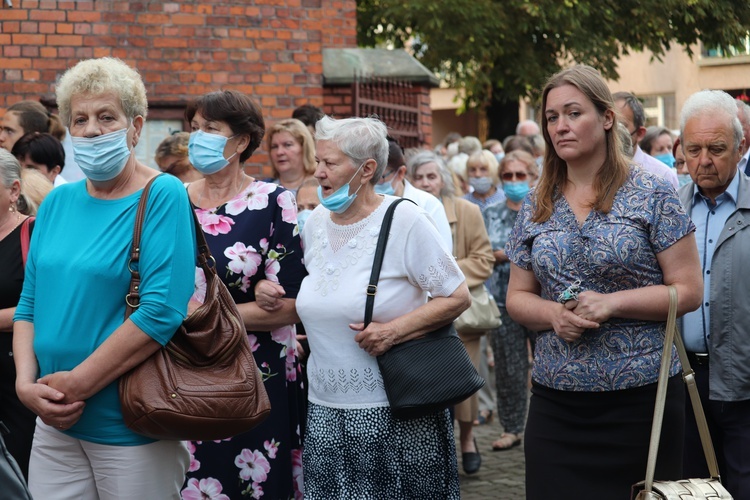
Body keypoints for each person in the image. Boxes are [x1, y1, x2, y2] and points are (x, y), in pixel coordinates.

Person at [505, 65, 702, 499]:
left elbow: (688, 290)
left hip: (642, 398)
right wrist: (553, 314)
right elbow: (518, 297)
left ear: (607, 118)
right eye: (552, 117)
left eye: (573, 113)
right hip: (557, 399)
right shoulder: (537, 202)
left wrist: (614, 303)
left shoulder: (652, 192)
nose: (561, 126)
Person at [13, 57, 196, 498]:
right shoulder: (56, 203)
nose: (92, 130)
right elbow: (29, 303)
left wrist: (77, 385)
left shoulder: (162, 194)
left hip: (130, 422)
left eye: (106, 116)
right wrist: (25, 385)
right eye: (80, 119)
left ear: (135, 127)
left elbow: (161, 311)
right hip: (53, 420)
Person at [296, 115, 470, 498]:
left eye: (330, 163)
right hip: (324, 407)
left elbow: (456, 295)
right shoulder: (316, 223)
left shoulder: (404, 219)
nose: (318, 171)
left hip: (392, 405)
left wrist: (394, 330)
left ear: (367, 168)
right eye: (318, 161)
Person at [182, 90, 306, 500]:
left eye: (211, 129)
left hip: (255, 373)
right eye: (194, 128)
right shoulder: (174, 199)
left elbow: (287, 306)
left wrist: (197, 314)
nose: (198, 137)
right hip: (183, 369)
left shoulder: (274, 201)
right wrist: (246, 303)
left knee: (254, 482)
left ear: (241, 142)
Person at [677, 89, 750, 498]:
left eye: (717, 148)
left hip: (744, 380)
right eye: (694, 149)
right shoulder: (669, 208)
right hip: (684, 381)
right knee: (691, 488)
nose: (703, 160)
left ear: (741, 147)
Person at [407, 150, 494, 475]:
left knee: (463, 381)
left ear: (443, 178)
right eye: (419, 177)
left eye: (432, 176)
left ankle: (468, 439)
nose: (426, 183)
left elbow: (483, 259)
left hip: (460, 312)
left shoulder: (465, 210)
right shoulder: (405, 210)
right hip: (419, 311)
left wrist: (443, 274)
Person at [482, 150, 539, 453]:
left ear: (533, 176)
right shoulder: (490, 213)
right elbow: (484, 252)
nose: (514, 181)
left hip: (541, 299)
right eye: (508, 176)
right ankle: (512, 427)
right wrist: (510, 252)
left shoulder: (544, 207)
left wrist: (506, 252)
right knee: (508, 368)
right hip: (503, 299)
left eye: (521, 175)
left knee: (545, 363)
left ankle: (542, 425)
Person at [0, 149, 36, 480]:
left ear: (13, 190)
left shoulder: (34, 233)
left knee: (18, 473)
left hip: (17, 375)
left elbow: (45, 305)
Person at [374, 137, 453, 252]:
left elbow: (441, 255)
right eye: (370, 177)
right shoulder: (366, 204)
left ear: (401, 173)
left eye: (381, 177)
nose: (375, 182)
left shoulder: (429, 204)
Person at [613, 91, 679, 189]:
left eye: (622, 125)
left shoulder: (663, 176)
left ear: (640, 133)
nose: (613, 131)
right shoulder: (593, 172)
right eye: (608, 122)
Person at [1, 103, 68, 187]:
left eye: (9, 131)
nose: (1, 137)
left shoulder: (61, 192)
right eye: (1, 130)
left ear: (32, 135)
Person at [267, 118, 316, 195]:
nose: (279, 152)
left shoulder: (323, 187)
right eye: (274, 146)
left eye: (287, 145)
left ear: (304, 147)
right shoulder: (263, 190)